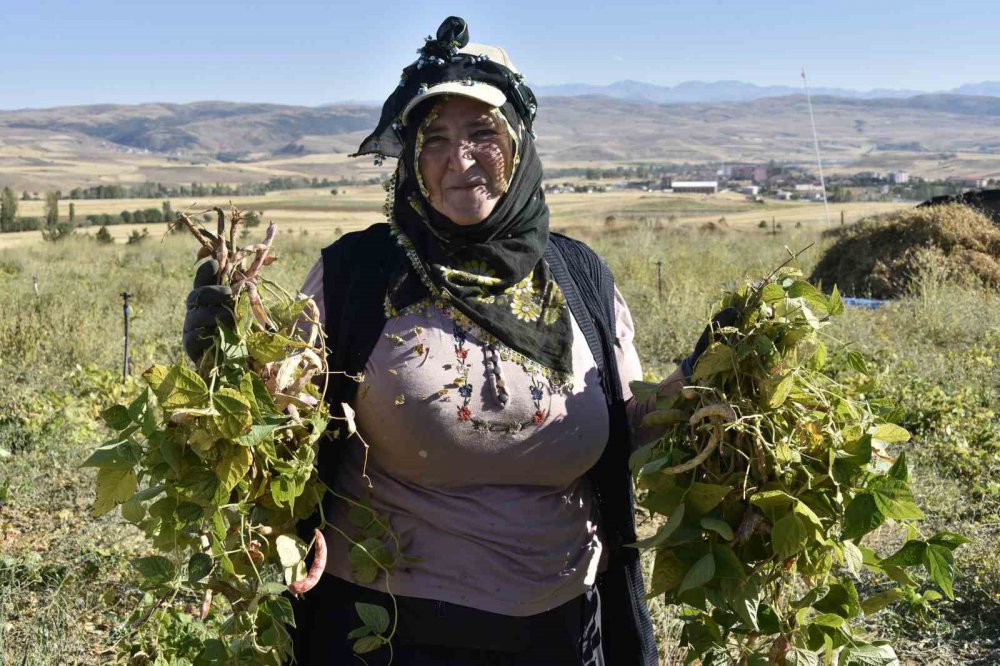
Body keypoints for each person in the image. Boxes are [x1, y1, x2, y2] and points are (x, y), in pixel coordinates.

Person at [183, 16, 723, 665]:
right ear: (411, 156)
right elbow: (280, 434)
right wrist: (226, 370)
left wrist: (702, 376)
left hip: (564, 625)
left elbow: (628, 428)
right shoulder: (357, 277)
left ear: (519, 140)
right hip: (386, 631)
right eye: (433, 138)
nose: (458, 159)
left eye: (481, 133)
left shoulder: (580, 277)